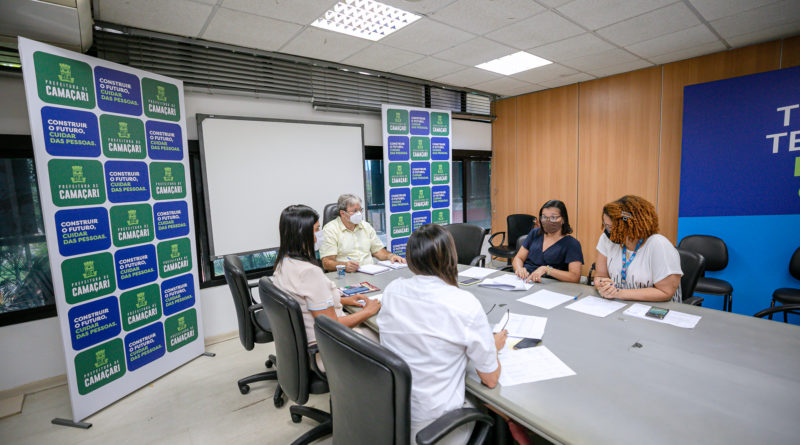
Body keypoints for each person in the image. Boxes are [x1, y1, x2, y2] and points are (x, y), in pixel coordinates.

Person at [378, 224, 507, 445]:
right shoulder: (463, 303)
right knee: (496, 411)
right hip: (437, 427)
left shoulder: (393, 290)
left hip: (395, 415)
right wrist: (493, 346)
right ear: (451, 257)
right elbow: (491, 379)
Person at [271, 205, 380, 370]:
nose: (319, 234)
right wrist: (368, 312)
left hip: (307, 345)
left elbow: (307, 301)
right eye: (316, 229)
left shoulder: (283, 263)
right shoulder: (309, 272)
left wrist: (343, 299)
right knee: (388, 336)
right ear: (303, 234)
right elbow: (333, 325)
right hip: (327, 349)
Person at [594, 195, 683, 302]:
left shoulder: (659, 245)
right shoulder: (606, 240)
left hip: (656, 308)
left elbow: (665, 292)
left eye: (611, 227)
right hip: (620, 304)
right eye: (606, 225)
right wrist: (603, 285)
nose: (608, 231)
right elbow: (600, 275)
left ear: (631, 226)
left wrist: (619, 293)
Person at [320, 194, 406, 272]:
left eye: (360, 210)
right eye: (354, 211)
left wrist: (391, 256)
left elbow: (378, 251)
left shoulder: (366, 226)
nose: (359, 214)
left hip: (370, 272)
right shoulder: (330, 230)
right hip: (346, 275)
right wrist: (344, 266)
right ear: (342, 213)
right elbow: (327, 263)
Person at [512, 200, 583, 283]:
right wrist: (519, 269)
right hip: (525, 281)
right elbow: (518, 258)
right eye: (544, 217)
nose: (548, 221)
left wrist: (547, 270)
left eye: (553, 217)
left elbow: (575, 277)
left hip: (551, 286)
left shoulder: (572, 244)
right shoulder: (535, 233)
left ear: (563, 220)